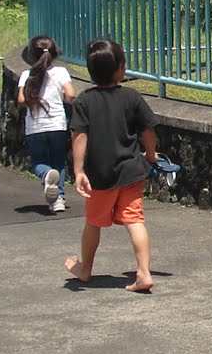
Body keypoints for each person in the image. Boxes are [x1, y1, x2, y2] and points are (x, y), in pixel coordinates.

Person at [67, 40, 160, 290]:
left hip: (101, 175)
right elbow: (147, 130)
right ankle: (143, 272)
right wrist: (150, 154)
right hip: (131, 171)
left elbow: (80, 136)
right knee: (135, 219)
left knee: (93, 222)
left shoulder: (85, 102)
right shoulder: (132, 97)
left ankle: (85, 269)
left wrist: (78, 171)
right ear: (120, 69)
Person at [17, 35, 77, 212]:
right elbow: (71, 94)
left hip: (35, 127)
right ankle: (58, 200)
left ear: (31, 55)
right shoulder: (61, 72)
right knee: (58, 161)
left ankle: (45, 175)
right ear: (54, 53)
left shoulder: (26, 75)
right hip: (58, 124)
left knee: (39, 161)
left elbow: (21, 100)